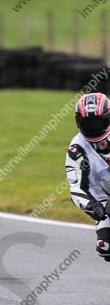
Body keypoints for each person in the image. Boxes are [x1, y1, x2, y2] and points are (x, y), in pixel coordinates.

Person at [66, 92, 110, 261]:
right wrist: (92, 205)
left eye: (97, 122)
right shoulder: (77, 149)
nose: (92, 127)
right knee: (105, 248)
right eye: (87, 122)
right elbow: (76, 187)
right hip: (103, 200)